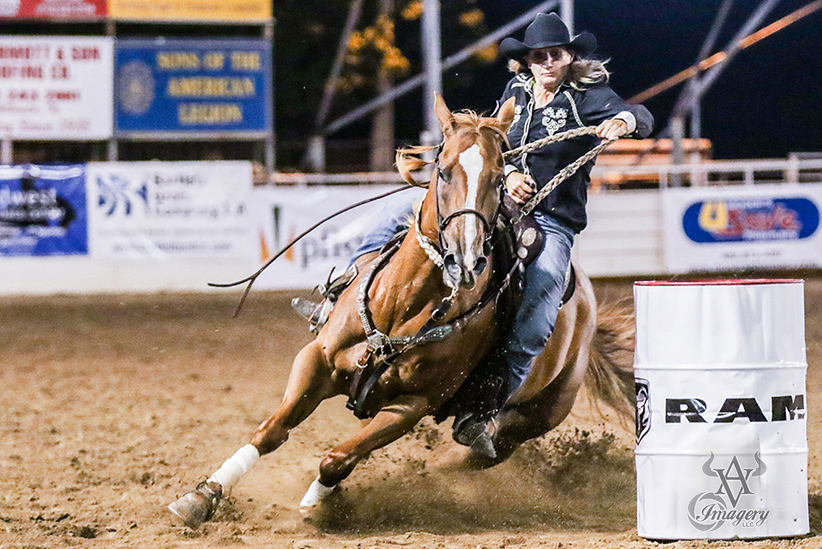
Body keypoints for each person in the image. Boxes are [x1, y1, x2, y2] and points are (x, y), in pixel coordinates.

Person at [294, 12, 654, 443]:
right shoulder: (516, 91)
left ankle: (488, 402)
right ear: (528, 61)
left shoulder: (587, 98)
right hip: (493, 200)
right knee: (396, 211)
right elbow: (495, 147)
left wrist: (623, 122)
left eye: (555, 55)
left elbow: (640, 115)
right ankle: (339, 297)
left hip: (551, 218)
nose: (546, 63)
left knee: (544, 283)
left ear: (569, 57)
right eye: (538, 56)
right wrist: (510, 174)